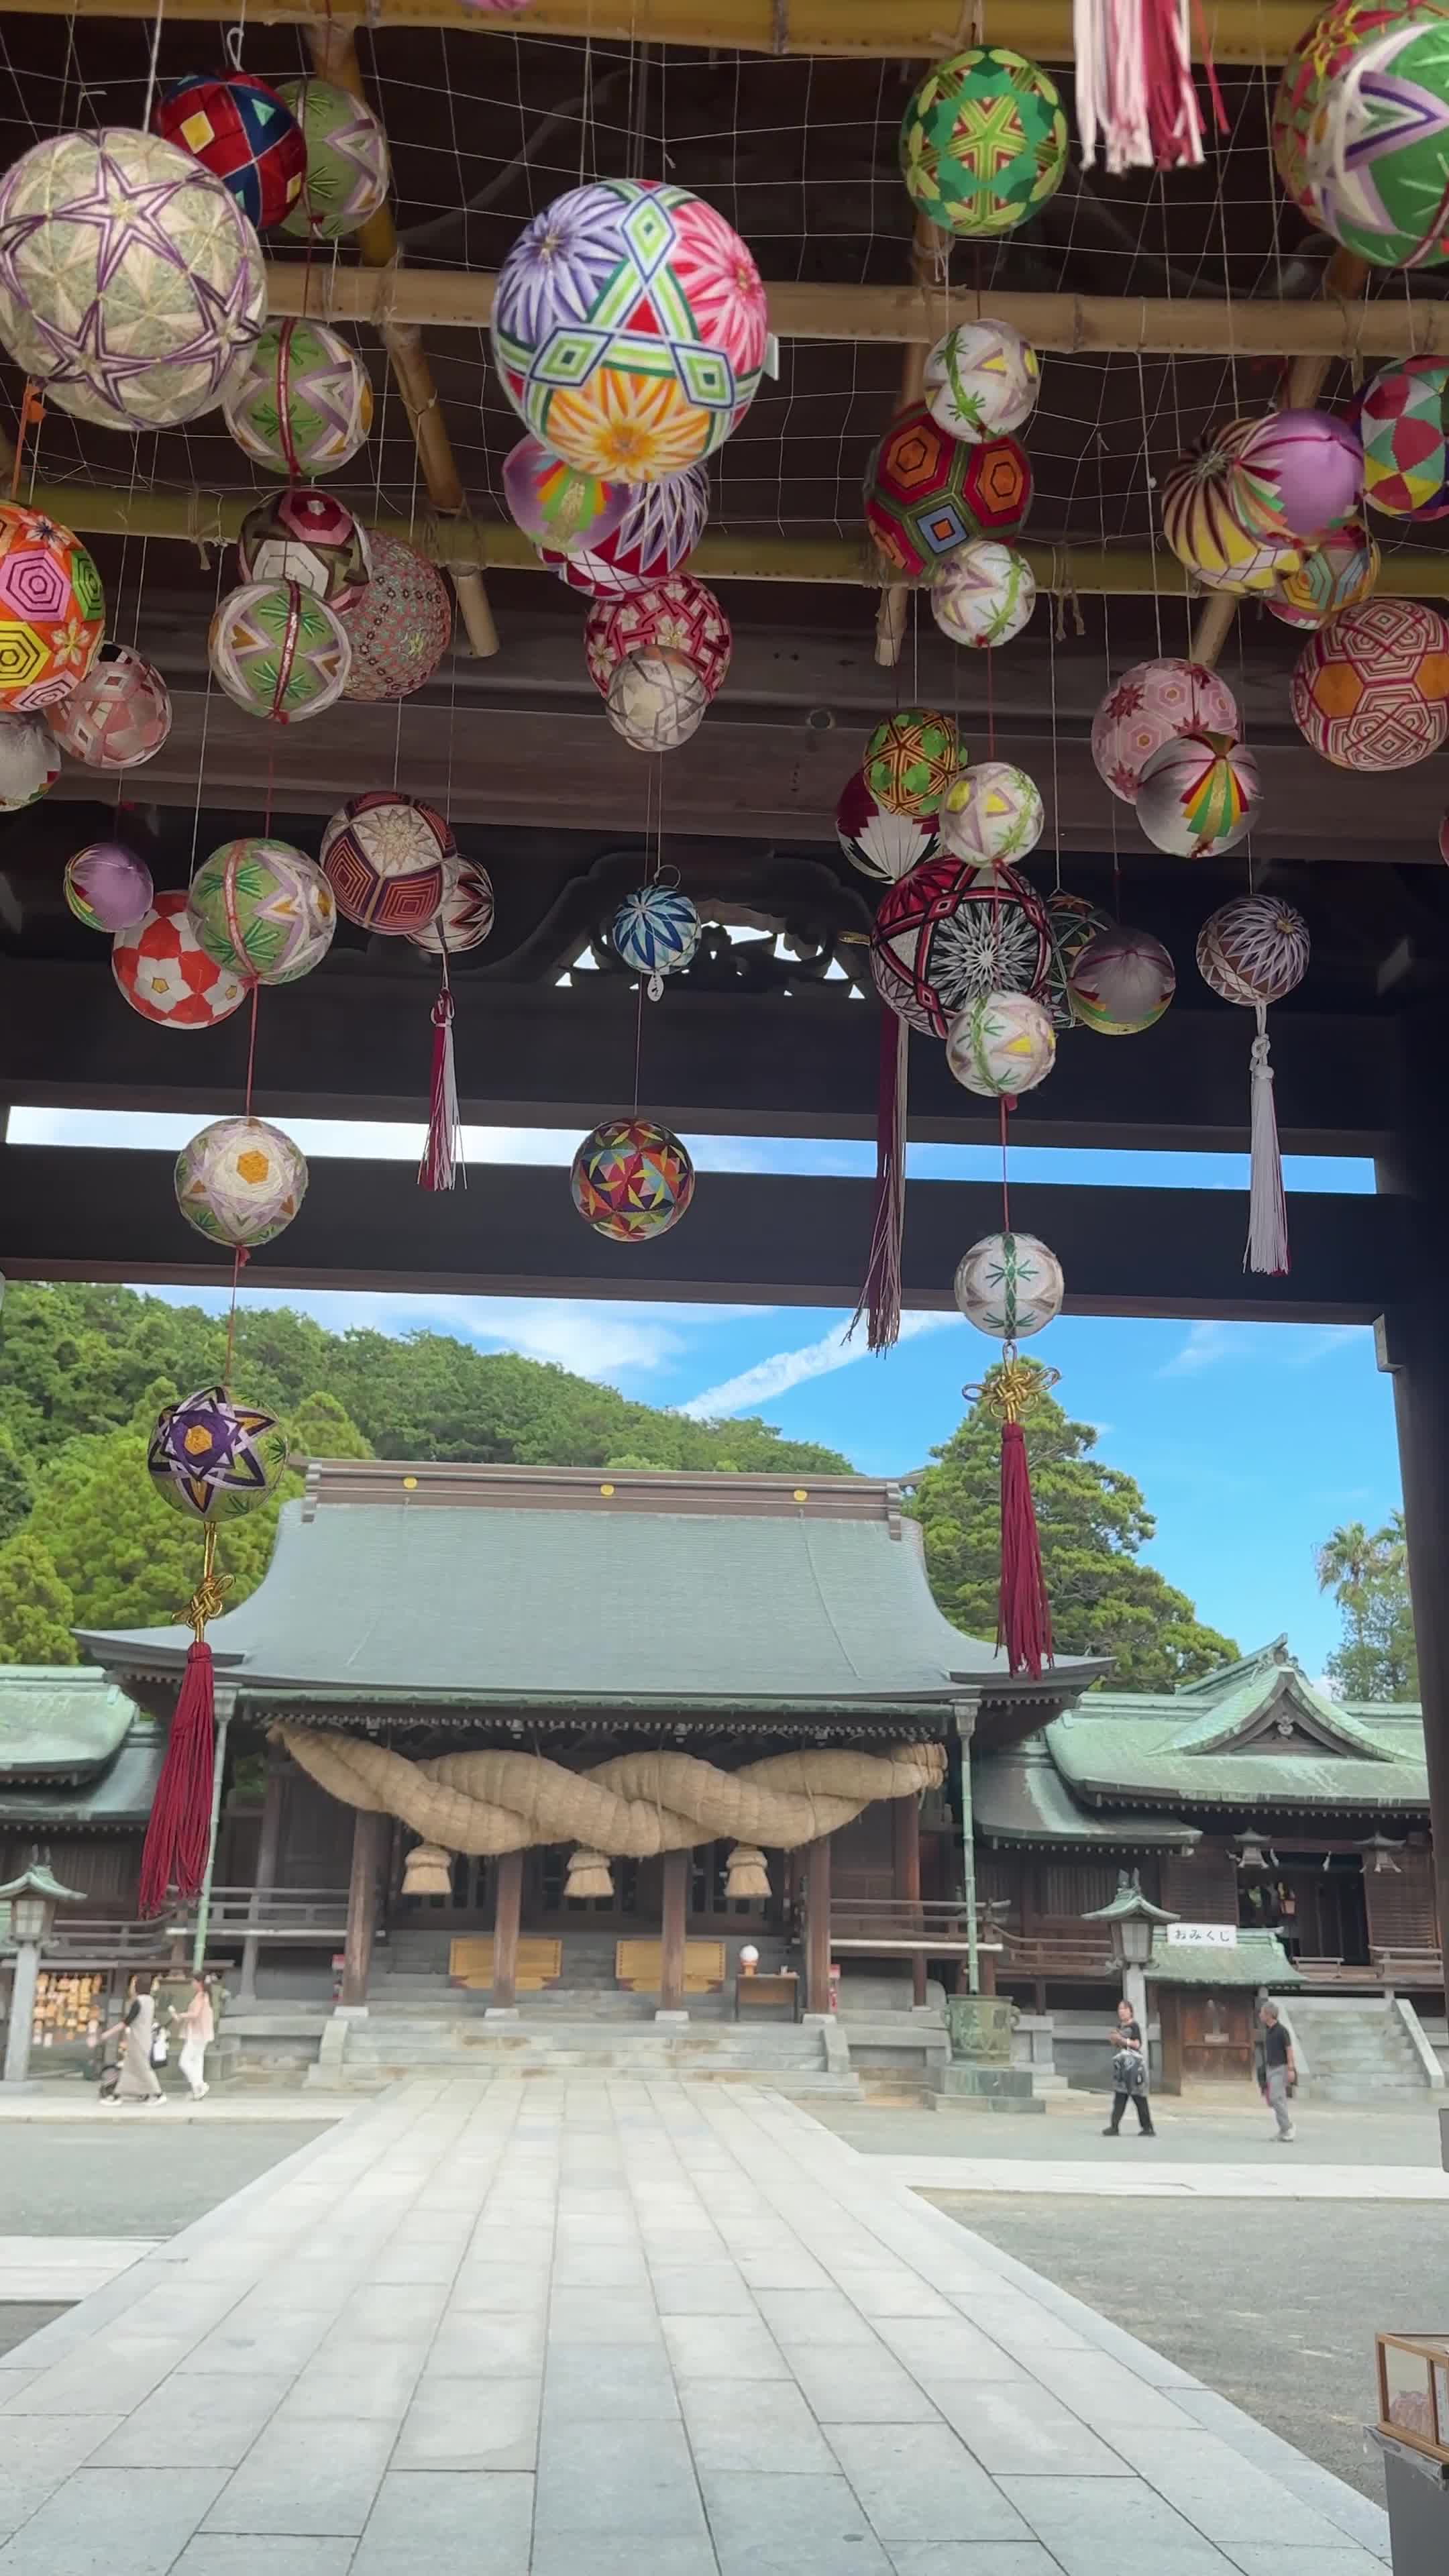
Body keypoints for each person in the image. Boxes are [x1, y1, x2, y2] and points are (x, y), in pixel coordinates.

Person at [99, 1973, 162, 2105]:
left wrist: (107, 2034)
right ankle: (118, 2095)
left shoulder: (139, 2002)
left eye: (134, 1984)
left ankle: (158, 2094)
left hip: (138, 2041)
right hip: (143, 2039)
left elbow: (126, 2022)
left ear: (138, 1986)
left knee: (143, 2068)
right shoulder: (150, 2001)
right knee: (129, 2069)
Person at [1103, 1995, 1156, 2137]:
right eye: (1120, 2009)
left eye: (1124, 2009)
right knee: (1120, 2097)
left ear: (1130, 2011)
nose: (1121, 2011)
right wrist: (1114, 2039)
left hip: (1133, 2066)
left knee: (1139, 2098)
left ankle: (1148, 2127)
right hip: (1121, 2066)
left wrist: (1122, 2040)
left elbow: (1137, 2044)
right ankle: (1114, 2127)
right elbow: (1115, 2043)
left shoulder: (1134, 2026)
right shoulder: (1119, 2027)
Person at [1258, 1999, 1297, 2141]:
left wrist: (1291, 2069)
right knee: (1278, 2100)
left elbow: (1289, 2050)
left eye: (1262, 2012)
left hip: (1281, 2068)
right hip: (1270, 2068)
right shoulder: (1268, 2031)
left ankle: (1288, 2127)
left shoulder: (1282, 2031)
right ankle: (1283, 2130)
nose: (1260, 2015)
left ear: (1269, 2014)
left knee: (1275, 2098)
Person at [171, 1974, 214, 2101]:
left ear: (199, 1983)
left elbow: (195, 2014)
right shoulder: (205, 1996)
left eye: (193, 1981)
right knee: (197, 2061)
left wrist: (181, 2015)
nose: (192, 1984)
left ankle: (199, 2085)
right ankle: (197, 2090)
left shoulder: (200, 1996)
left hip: (196, 2034)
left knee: (184, 2062)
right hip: (202, 2034)